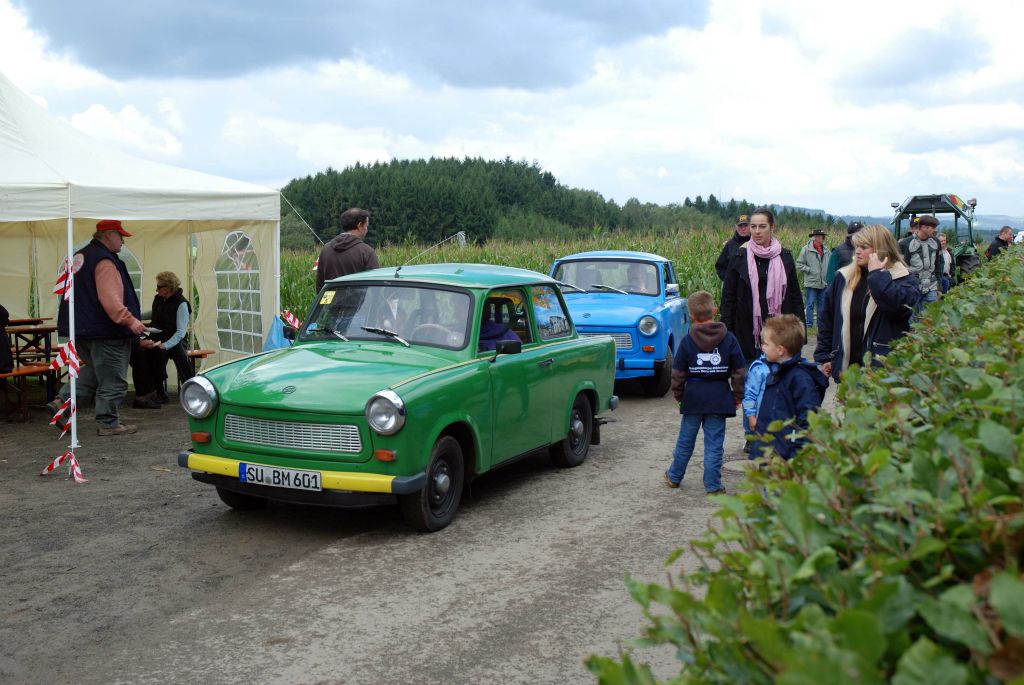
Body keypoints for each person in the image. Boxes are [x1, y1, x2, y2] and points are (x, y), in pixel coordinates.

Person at [55, 219, 145, 436]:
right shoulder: (105, 261)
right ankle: (108, 423)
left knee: (95, 371)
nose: (123, 241)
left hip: (82, 329)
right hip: (107, 332)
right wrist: (131, 320)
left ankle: (62, 401)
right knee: (113, 380)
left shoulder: (81, 257)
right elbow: (111, 301)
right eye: (120, 236)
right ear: (108, 236)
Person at [663, 291, 746, 494]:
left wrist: (679, 396)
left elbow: (678, 373)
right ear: (715, 311)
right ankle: (713, 485)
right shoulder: (729, 339)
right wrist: (737, 396)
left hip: (693, 398)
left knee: (685, 440)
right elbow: (739, 371)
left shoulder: (687, 341)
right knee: (714, 444)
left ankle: (674, 477)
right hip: (719, 398)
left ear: (691, 316)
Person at [814, 225, 920, 383]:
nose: (857, 251)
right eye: (856, 246)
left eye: (863, 247)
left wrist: (877, 275)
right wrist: (825, 356)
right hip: (848, 373)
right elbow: (827, 318)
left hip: (883, 373)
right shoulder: (843, 278)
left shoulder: (903, 279)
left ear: (880, 249)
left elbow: (898, 309)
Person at [720, 207, 804, 363]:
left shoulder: (784, 257)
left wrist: (800, 331)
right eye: (753, 227)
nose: (757, 231)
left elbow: (795, 294)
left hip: (780, 333)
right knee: (751, 375)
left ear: (772, 227)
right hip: (747, 332)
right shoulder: (739, 257)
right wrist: (727, 332)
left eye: (762, 226)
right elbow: (728, 297)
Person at [749, 314, 828, 461]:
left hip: (787, 457)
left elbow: (808, 420)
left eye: (766, 344)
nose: (762, 347)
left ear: (780, 350)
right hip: (772, 452)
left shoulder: (800, 380)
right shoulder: (776, 373)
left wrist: (796, 457)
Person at [130, 271, 194, 408]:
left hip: (175, 339)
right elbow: (155, 314)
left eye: (159, 287)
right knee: (149, 353)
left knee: (178, 353)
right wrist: (134, 317)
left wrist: (165, 345)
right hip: (158, 335)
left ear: (169, 287)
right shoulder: (159, 298)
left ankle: (191, 389)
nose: (156, 289)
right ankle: (158, 391)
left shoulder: (182, 304)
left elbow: (180, 333)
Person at [315, 208, 380, 291]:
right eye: (366, 226)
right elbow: (375, 287)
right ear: (360, 225)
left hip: (330, 299)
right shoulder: (367, 252)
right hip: (359, 300)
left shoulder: (325, 250)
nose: (367, 230)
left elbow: (320, 286)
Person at [905, 215, 942, 314]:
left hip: (931, 287)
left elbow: (938, 265)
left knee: (930, 317)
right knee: (912, 317)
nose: (935, 230)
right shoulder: (906, 243)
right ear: (924, 227)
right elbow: (901, 267)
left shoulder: (936, 242)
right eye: (933, 227)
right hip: (913, 288)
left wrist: (939, 287)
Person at [796, 228, 830, 328]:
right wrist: (809, 270)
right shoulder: (806, 249)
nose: (823, 238)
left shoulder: (826, 250)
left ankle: (820, 324)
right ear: (815, 237)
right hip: (811, 282)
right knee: (810, 304)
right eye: (821, 237)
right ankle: (809, 324)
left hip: (823, 283)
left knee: (821, 305)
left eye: (823, 237)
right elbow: (798, 264)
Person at [741, 352, 772, 455]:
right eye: (764, 345)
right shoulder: (758, 368)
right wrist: (751, 416)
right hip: (762, 420)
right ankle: (751, 438)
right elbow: (749, 395)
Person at [714, 214, 751, 282]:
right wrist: (729, 280)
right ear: (736, 227)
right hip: (734, 286)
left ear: (751, 226)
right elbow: (720, 266)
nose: (743, 228)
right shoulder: (729, 244)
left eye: (745, 225)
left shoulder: (756, 243)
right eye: (740, 226)